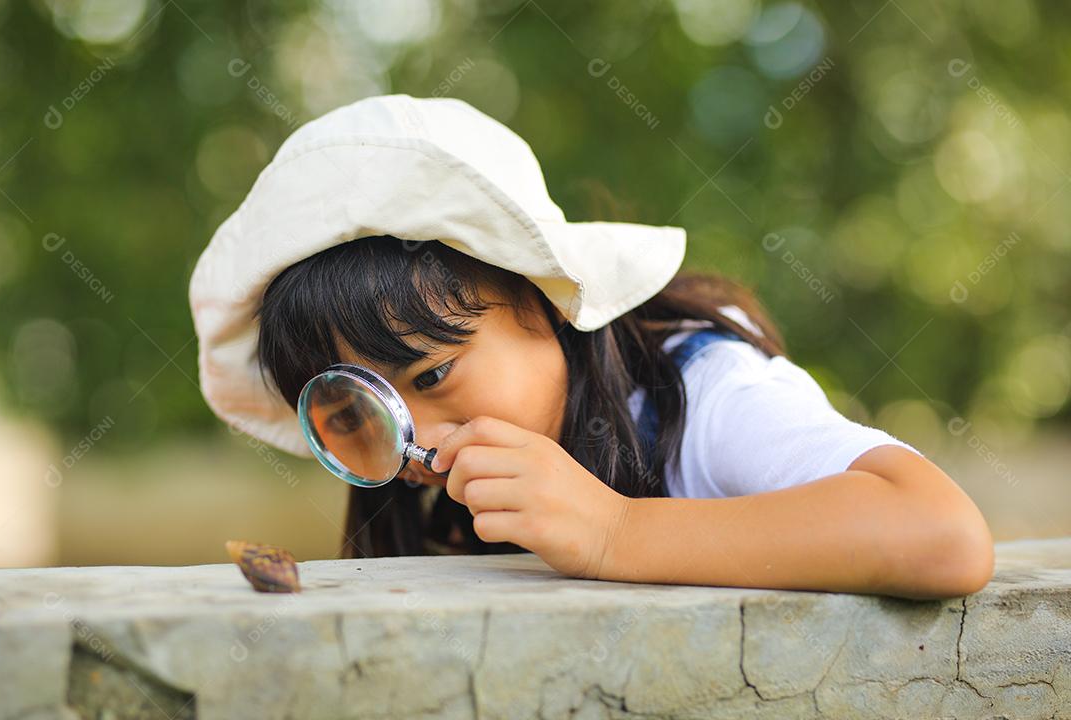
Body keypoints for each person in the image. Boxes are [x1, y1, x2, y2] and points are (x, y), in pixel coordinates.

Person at [189, 94, 994, 600]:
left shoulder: (700, 391)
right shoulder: (447, 493)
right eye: (363, 411)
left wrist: (616, 533)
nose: (415, 440)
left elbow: (940, 534)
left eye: (434, 372)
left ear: (546, 299)